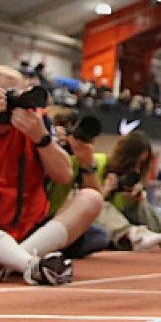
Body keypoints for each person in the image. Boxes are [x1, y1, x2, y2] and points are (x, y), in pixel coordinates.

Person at [0, 65, 102, 284]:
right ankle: (29, 265)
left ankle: (7, 261)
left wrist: (41, 138)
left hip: (31, 234)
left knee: (91, 199)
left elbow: (63, 175)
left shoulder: (35, 123)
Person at [43, 108, 113, 258]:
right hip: (29, 216)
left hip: (53, 220)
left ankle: (46, 245)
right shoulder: (37, 144)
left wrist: (87, 163)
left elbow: (94, 202)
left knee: (99, 235)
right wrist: (48, 145)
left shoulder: (76, 158)